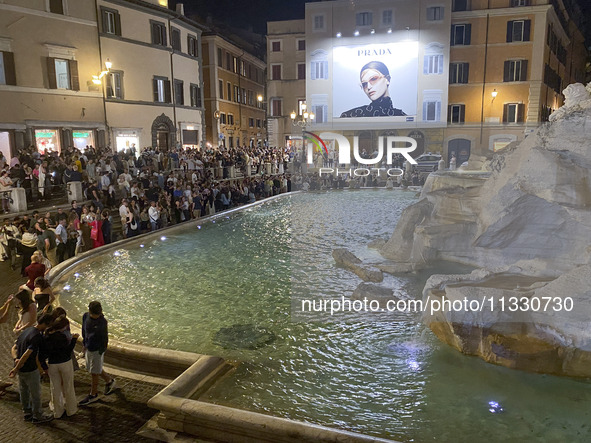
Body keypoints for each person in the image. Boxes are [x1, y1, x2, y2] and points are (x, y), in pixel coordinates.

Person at [9, 312, 54, 423]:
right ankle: (38, 415)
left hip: (21, 369)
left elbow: (14, 347)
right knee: (35, 393)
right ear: (46, 324)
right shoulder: (37, 337)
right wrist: (15, 369)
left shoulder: (27, 331)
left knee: (23, 390)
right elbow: (28, 353)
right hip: (30, 368)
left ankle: (27, 412)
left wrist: (16, 361)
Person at [41, 311, 79, 418]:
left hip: (53, 364)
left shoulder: (47, 336)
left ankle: (57, 411)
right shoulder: (61, 337)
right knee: (68, 386)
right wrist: (74, 340)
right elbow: (67, 351)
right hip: (65, 363)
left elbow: (43, 354)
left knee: (55, 387)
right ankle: (71, 409)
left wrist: (44, 367)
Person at [79, 301, 116, 405]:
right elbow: (84, 331)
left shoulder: (102, 322)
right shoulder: (86, 316)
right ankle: (109, 381)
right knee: (93, 368)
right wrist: (84, 344)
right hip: (89, 347)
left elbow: (104, 338)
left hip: (97, 350)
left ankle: (93, 394)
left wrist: (101, 351)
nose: (95, 316)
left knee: (94, 372)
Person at [340, 61, 406, 118]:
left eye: (373, 79)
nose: (368, 87)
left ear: (387, 79)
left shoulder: (401, 116)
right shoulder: (350, 116)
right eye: (364, 84)